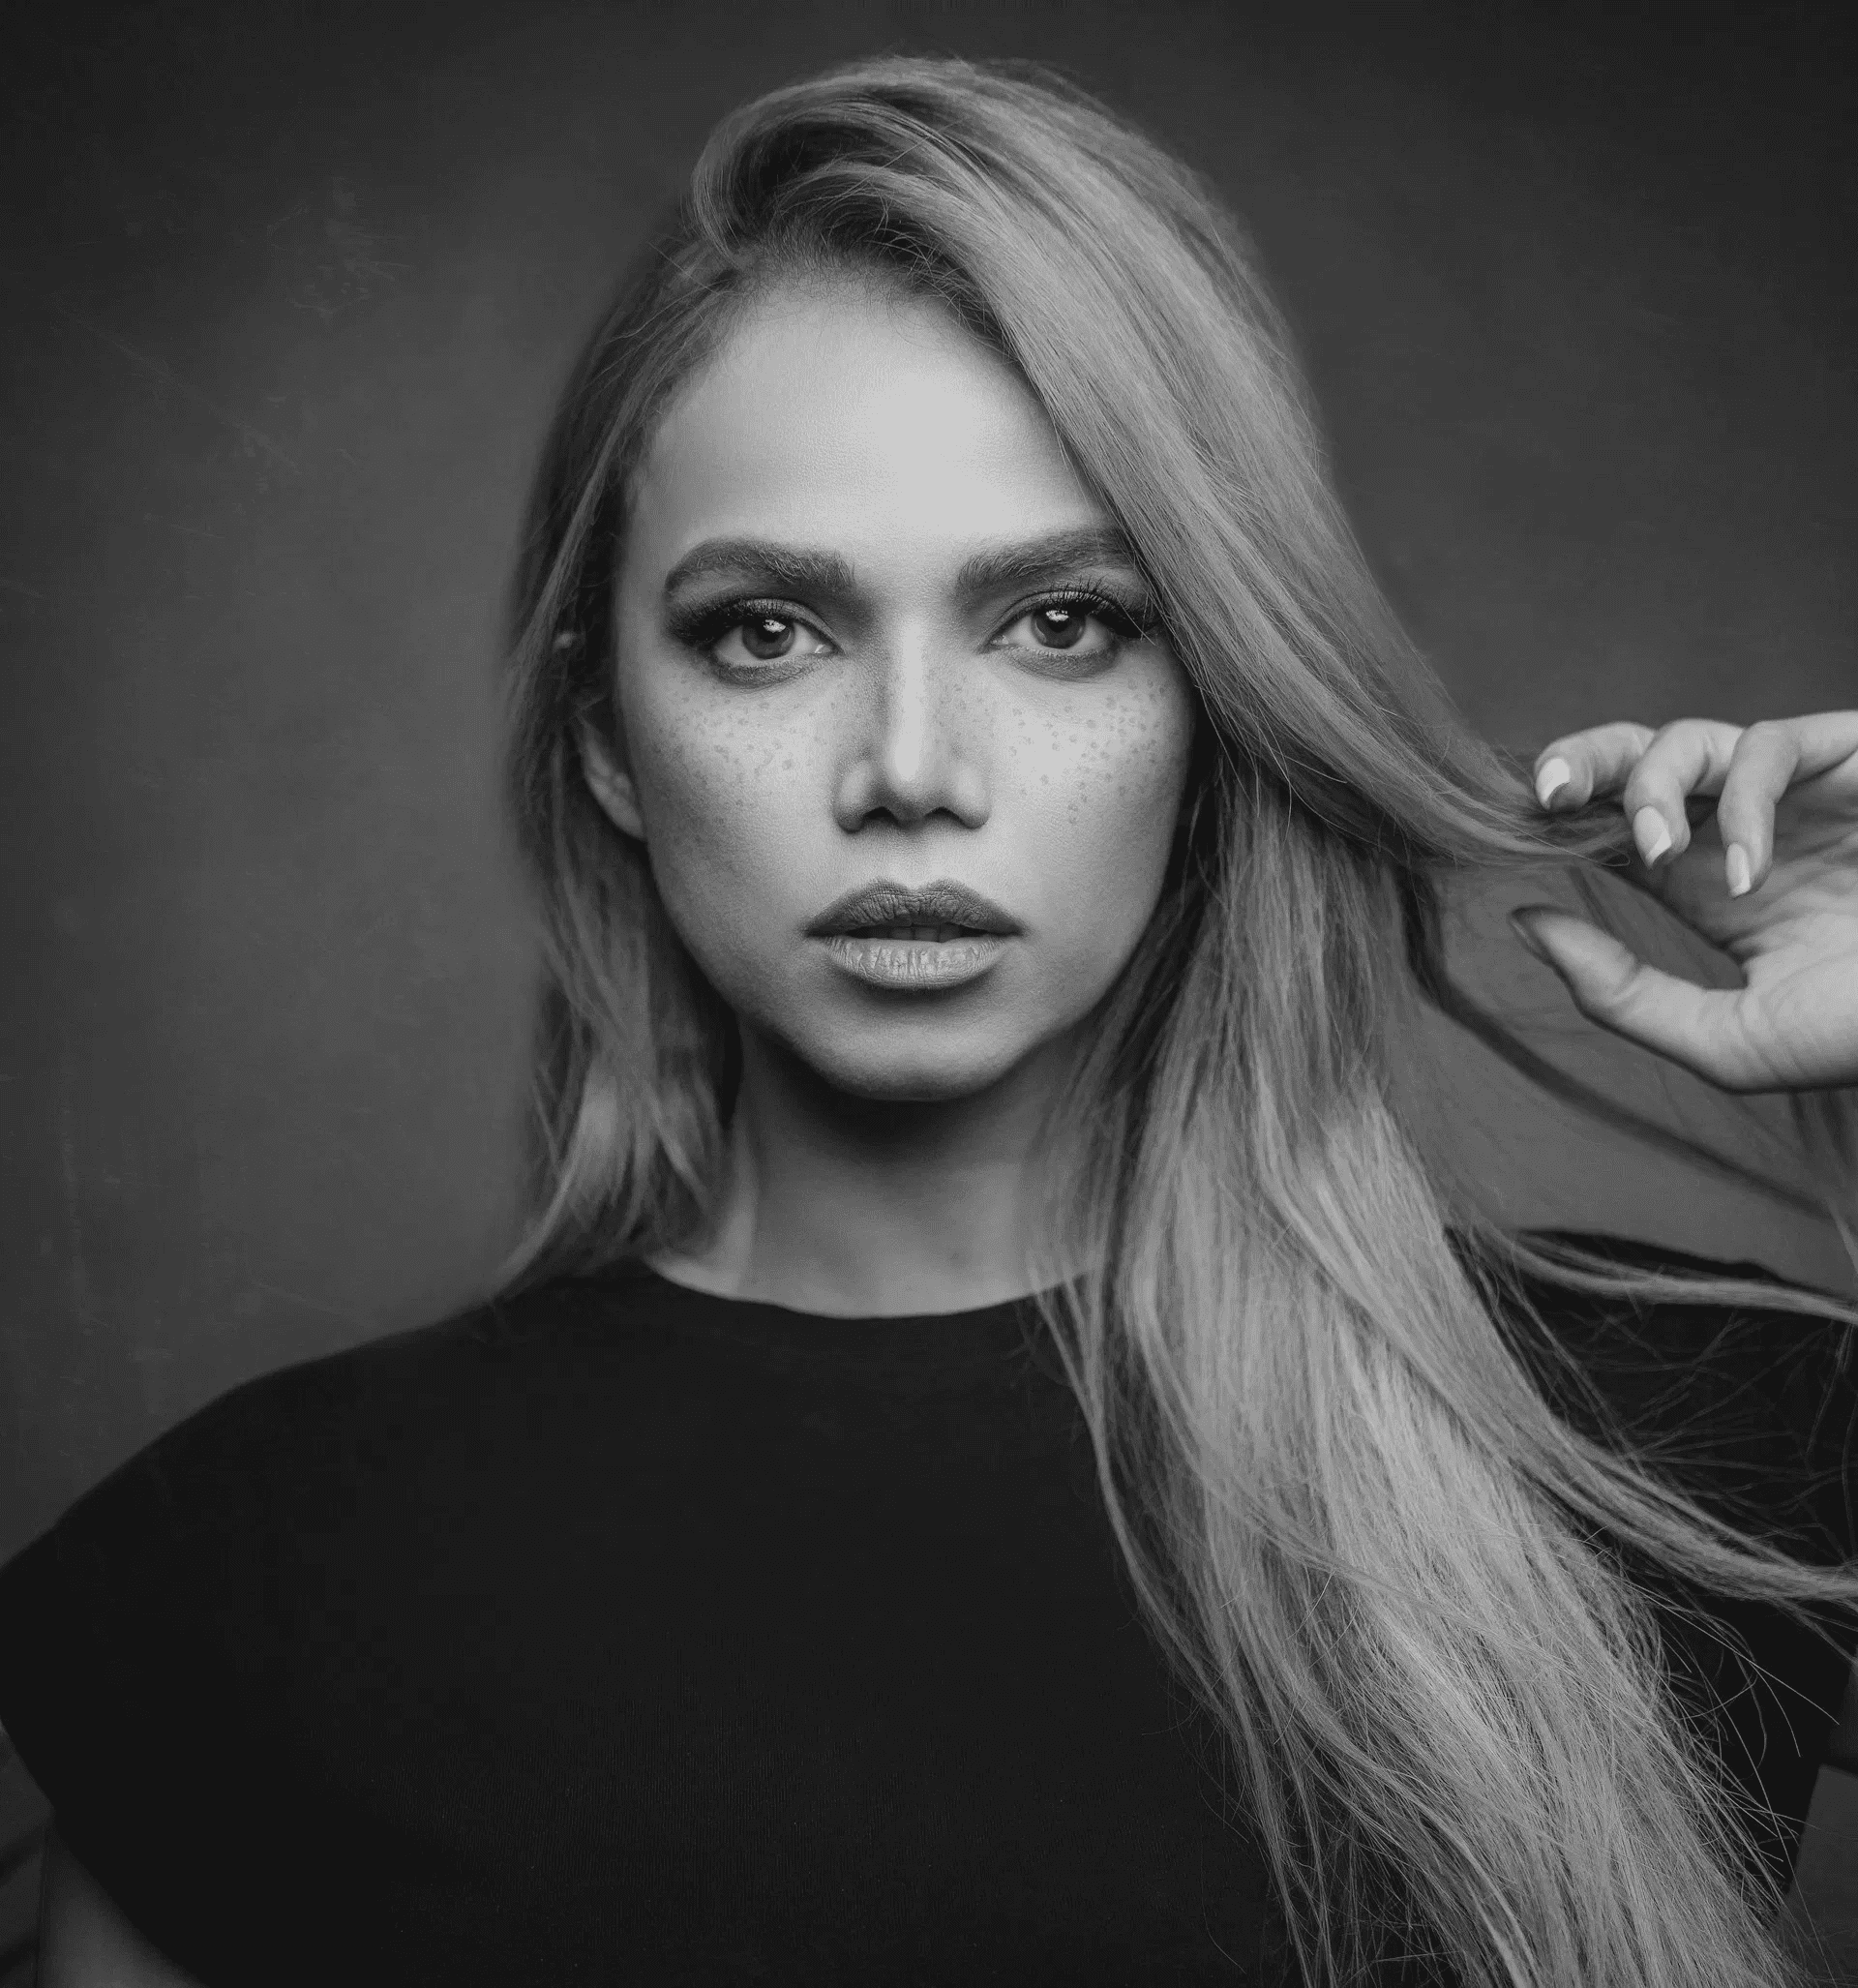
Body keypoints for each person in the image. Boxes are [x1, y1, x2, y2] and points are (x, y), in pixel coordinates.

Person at [6, 52, 1858, 1988]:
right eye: (768, 629)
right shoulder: (264, 1574)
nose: (909, 768)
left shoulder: (1685, 1447)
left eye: (1061, 621)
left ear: (1216, 703)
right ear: (608, 742)